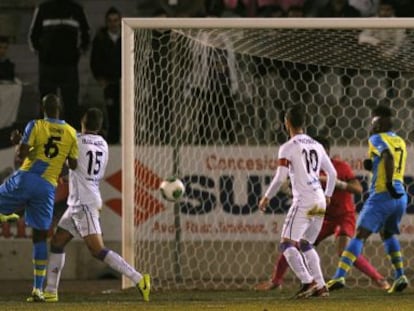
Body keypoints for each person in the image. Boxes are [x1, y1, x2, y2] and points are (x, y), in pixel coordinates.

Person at [255, 136, 390, 292]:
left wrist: (335, 182)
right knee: (296, 243)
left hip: (343, 216)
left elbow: (358, 188)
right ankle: (278, 281)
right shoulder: (309, 168)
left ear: (325, 151)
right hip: (322, 214)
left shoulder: (340, 166)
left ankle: (378, 279)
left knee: (343, 251)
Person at [43, 108, 151, 302]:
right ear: (99, 126)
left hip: (84, 203)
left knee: (97, 250)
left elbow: (74, 165)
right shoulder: (103, 144)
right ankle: (50, 291)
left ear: (82, 122)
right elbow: (84, 169)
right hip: (80, 201)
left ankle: (139, 279)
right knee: (58, 241)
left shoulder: (75, 139)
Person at [0, 93, 78, 302]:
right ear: (60, 108)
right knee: (40, 236)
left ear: (42, 109)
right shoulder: (71, 132)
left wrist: (18, 142)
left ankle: (7, 215)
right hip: (46, 187)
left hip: (27, 178)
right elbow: (73, 165)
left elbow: (22, 155)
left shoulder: (35, 125)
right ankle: (37, 289)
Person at [327, 105, 409, 294]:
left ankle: (339, 275)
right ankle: (400, 276)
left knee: (359, 236)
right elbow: (389, 159)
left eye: (373, 120)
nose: (371, 124)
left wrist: (387, 184)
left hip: (382, 195)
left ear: (379, 121)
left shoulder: (376, 138)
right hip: (400, 197)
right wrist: (372, 165)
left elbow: (387, 156)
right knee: (387, 234)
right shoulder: (400, 141)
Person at [259, 104, 337, 298]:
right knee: (305, 243)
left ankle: (307, 281)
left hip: (304, 201)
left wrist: (266, 197)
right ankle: (321, 286)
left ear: (287, 124)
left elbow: (280, 178)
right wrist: (327, 195)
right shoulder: (317, 145)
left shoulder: (288, 147)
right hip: (319, 199)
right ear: (304, 123)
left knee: (287, 244)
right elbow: (332, 173)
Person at [29, 0, 90, 130]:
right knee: (47, 103)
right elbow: (33, 36)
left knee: (71, 103)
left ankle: (72, 136)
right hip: (48, 66)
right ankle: (44, 136)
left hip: (69, 66)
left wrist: (77, 53)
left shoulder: (77, 9)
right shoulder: (43, 9)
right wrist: (43, 54)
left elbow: (86, 34)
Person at [90, 7, 122, 144]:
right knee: (111, 112)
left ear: (120, 21)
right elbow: (94, 61)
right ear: (106, 22)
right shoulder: (100, 39)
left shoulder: (127, 36)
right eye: (110, 21)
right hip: (109, 82)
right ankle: (113, 141)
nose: (113, 23)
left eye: (115, 20)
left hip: (125, 81)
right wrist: (100, 78)